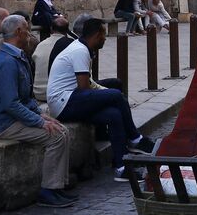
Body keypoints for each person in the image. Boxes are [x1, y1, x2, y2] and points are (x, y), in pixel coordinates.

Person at [47, 18, 155, 181]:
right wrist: (109, 96)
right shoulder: (80, 51)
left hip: (71, 99)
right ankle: (135, 138)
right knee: (116, 95)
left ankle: (121, 167)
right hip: (64, 102)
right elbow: (84, 88)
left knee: (113, 115)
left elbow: (89, 85)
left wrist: (105, 94)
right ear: (97, 35)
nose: (105, 39)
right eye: (104, 35)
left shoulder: (82, 48)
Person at [0, 15, 74, 208]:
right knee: (56, 136)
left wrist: (40, 114)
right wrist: (40, 122)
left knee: (62, 130)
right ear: (18, 32)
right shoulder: (8, 62)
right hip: (3, 123)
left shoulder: (16, 56)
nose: (29, 34)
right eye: (27, 30)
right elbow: (11, 104)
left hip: (13, 117)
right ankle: (48, 190)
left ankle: (59, 185)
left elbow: (26, 97)